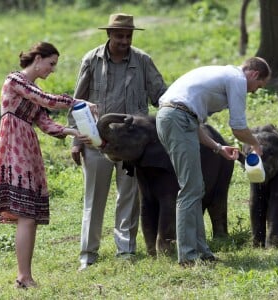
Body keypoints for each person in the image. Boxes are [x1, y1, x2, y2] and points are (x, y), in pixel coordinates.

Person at [68, 13, 167, 271]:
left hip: (133, 144)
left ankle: (125, 251)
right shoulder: (91, 59)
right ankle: (87, 255)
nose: (125, 40)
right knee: (94, 199)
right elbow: (77, 102)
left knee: (129, 198)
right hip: (96, 140)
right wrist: (76, 142)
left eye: (128, 36)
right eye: (120, 35)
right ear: (109, 34)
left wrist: (179, 109)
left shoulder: (143, 60)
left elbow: (161, 95)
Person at [0, 42, 95, 288]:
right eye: (51, 64)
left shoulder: (31, 89)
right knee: (26, 214)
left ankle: (24, 276)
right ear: (37, 59)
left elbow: (46, 123)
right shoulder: (15, 81)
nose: (52, 70)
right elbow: (46, 100)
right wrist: (76, 102)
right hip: (15, 146)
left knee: (29, 216)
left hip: (26, 145)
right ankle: (24, 277)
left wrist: (73, 131)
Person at [156, 57, 271, 266]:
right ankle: (188, 257)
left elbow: (194, 121)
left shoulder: (223, 76)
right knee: (190, 189)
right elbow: (238, 127)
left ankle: (202, 251)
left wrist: (217, 147)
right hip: (176, 119)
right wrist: (256, 145)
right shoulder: (237, 78)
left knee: (196, 187)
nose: (254, 91)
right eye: (258, 86)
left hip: (177, 118)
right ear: (253, 74)